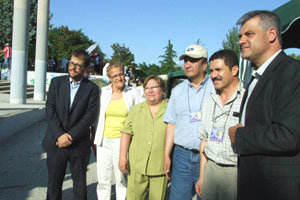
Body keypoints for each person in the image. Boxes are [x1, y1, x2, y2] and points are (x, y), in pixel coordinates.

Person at [228, 10, 300, 200]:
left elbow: (289, 135)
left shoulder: (292, 72)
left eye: (249, 34)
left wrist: (240, 136)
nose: (241, 40)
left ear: (272, 34)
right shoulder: (257, 77)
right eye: (240, 36)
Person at [42, 50, 100, 200]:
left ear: (85, 68)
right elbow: (50, 110)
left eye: (78, 65)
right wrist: (60, 135)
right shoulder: (56, 83)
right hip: (56, 142)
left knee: (80, 186)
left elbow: (89, 116)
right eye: (72, 63)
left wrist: (71, 136)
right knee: (54, 185)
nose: (73, 67)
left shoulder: (92, 89)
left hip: (78, 144)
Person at [164, 44, 214, 200]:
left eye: (192, 60)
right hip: (182, 157)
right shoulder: (177, 91)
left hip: (208, 156)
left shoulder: (216, 87)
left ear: (204, 64)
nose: (187, 64)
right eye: (185, 60)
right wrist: (167, 154)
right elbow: (171, 123)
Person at [195, 50, 244, 200]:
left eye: (218, 70)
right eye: (211, 71)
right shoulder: (209, 102)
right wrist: (202, 176)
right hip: (211, 169)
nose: (214, 75)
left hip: (235, 172)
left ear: (234, 70)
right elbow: (204, 140)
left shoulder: (248, 98)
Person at [93, 62, 143, 200]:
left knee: (121, 178)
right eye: (115, 76)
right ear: (109, 78)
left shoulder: (132, 93)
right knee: (103, 179)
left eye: (121, 74)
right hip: (103, 140)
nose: (119, 78)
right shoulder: (102, 93)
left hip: (122, 142)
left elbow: (144, 108)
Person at [119, 76, 168, 200]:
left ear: (162, 90)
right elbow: (126, 133)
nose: (150, 91)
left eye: (154, 87)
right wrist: (123, 157)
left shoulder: (170, 110)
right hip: (137, 165)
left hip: (160, 166)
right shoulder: (136, 110)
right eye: (147, 88)